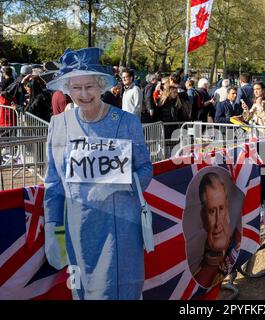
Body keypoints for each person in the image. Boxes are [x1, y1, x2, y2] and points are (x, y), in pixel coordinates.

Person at [43, 47, 153, 300]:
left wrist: (121, 184)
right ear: (67, 89)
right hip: (78, 230)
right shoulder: (58, 126)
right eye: (76, 87)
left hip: (121, 230)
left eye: (90, 86)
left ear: (102, 85)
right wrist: (51, 227)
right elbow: (53, 183)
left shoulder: (127, 123)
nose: (84, 94)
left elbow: (145, 168)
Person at [193, 172, 241, 288]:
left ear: (227, 208)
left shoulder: (240, 241)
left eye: (221, 208)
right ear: (203, 216)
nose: (218, 222)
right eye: (211, 211)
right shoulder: (198, 273)